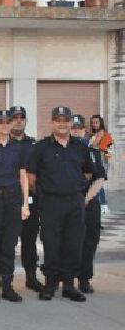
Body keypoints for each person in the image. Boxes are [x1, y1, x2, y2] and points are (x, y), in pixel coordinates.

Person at [27, 106, 105, 302]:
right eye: (58, 120)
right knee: (51, 244)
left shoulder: (81, 147)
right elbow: (31, 177)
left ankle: (69, 285)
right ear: (52, 122)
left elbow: (89, 173)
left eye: (66, 120)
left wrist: (76, 188)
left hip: (75, 202)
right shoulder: (41, 147)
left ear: (71, 123)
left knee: (74, 244)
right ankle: (51, 283)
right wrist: (45, 195)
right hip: (51, 203)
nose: (62, 124)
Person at [0, 110, 30, 302]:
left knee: (9, 245)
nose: (4, 125)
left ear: (11, 124)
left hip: (13, 200)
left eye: (7, 122)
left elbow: (23, 175)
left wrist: (25, 204)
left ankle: (8, 286)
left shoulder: (19, 147)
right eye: (0, 122)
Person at [9, 105, 43, 293]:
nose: (18, 120)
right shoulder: (4, 143)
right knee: (7, 240)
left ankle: (31, 276)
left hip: (31, 200)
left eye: (22, 117)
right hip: (8, 199)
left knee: (29, 240)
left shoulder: (34, 145)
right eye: (15, 117)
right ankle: (3, 278)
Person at [71, 115, 106, 294]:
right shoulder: (62, 150)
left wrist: (84, 200)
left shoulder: (92, 150)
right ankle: (67, 279)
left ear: (84, 130)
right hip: (68, 203)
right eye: (73, 127)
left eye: (79, 128)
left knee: (89, 241)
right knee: (68, 242)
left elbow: (99, 178)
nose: (76, 131)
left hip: (88, 203)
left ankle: (84, 279)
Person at [89, 115, 113, 214]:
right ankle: (102, 204)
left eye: (96, 122)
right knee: (97, 183)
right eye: (93, 123)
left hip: (100, 162)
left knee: (98, 183)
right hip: (99, 161)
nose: (94, 124)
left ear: (100, 123)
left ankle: (103, 204)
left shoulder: (101, 133)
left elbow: (94, 145)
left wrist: (89, 144)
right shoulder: (97, 134)